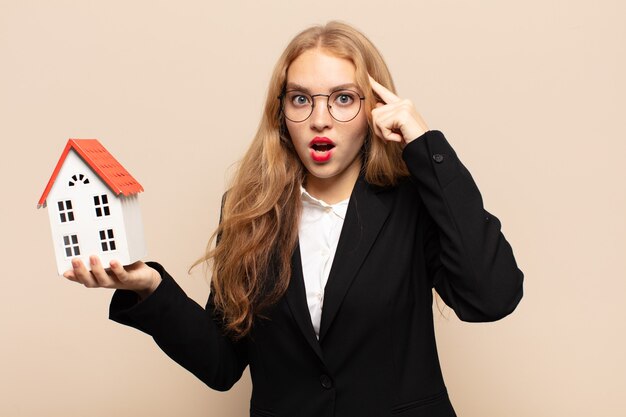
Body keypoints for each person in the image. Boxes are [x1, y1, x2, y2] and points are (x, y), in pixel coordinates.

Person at [64, 21, 523, 417]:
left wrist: (425, 145)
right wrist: (149, 287)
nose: (320, 119)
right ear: (282, 114)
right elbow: (222, 363)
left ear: (374, 110)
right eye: (301, 99)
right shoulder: (249, 210)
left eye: (343, 99)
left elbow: (492, 297)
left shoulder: (412, 202)